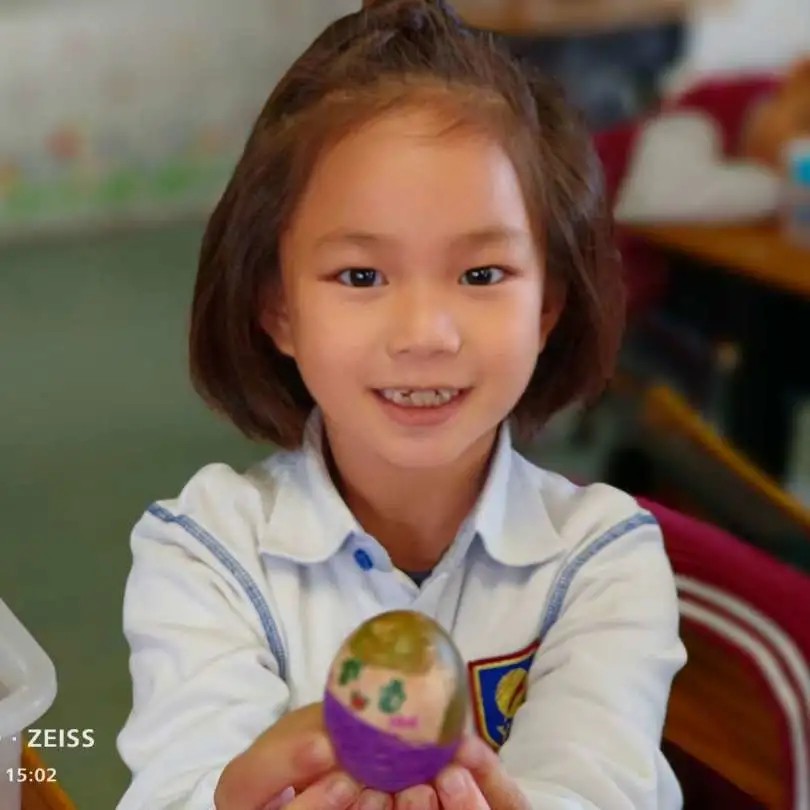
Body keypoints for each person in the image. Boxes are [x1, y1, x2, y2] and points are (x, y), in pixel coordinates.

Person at [116, 1, 686, 808]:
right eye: (361, 276)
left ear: (548, 306)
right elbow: (174, 784)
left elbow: (598, 787)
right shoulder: (206, 552)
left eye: (481, 275)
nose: (425, 334)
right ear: (278, 308)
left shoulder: (601, 561)